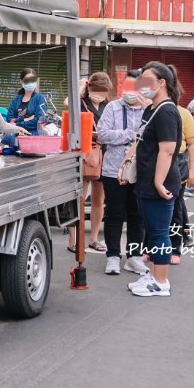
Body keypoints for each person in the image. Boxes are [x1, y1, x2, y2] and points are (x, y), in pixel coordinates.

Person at [126, 61, 182, 298]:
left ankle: (161, 282)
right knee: (152, 230)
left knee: (160, 233)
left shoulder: (167, 111)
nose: (142, 85)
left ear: (161, 83)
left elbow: (167, 150)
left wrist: (159, 183)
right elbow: (141, 142)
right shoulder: (152, 109)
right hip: (146, 181)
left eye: (147, 81)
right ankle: (154, 274)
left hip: (160, 183)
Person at [97, 73, 147, 276]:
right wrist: (128, 135)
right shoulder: (113, 107)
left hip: (140, 170)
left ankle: (134, 257)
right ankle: (113, 256)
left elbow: (150, 137)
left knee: (137, 214)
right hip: (113, 169)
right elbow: (102, 134)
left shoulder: (148, 110)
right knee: (114, 213)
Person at [67, 72, 111, 253]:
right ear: (89, 88)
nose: (100, 94)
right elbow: (67, 105)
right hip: (83, 154)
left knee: (99, 200)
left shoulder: (109, 106)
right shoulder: (80, 102)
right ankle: (73, 240)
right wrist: (79, 87)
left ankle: (93, 238)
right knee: (79, 197)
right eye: (97, 90)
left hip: (103, 154)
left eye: (103, 91)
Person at [170, 72, 194, 265]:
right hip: (152, 164)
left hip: (177, 164)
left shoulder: (184, 113)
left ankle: (175, 248)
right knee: (149, 211)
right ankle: (149, 247)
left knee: (174, 210)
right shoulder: (148, 110)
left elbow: (193, 143)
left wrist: (193, 170)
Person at [7, 69, 49, 135]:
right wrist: (26, 119)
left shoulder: (40, 99)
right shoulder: (16, 100)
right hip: (15, 138)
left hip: (33, 137)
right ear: (21, 81)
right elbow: (9, 119)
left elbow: (39, 120)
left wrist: (17, 123)